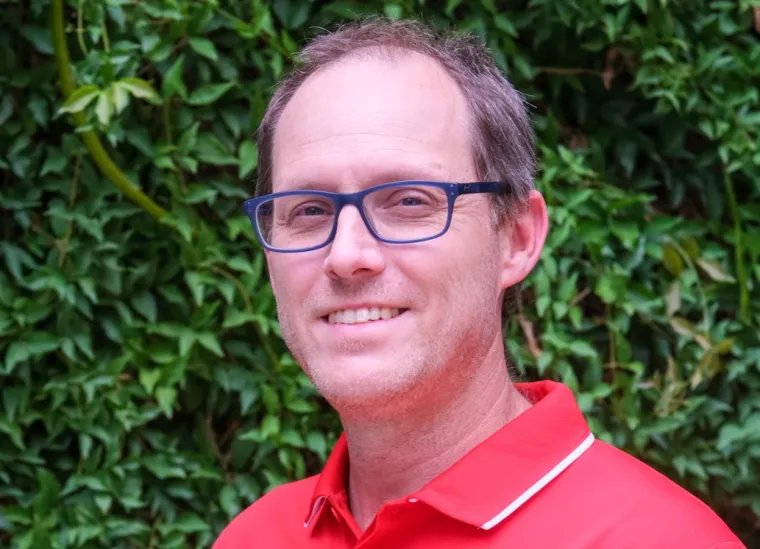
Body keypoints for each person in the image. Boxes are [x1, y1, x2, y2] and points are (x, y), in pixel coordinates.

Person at [213, 17, 745, 549]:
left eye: (409, 201)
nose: (347, 255)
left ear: (516, 238)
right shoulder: (254, 536)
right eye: (308, 209)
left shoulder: (660, 539)